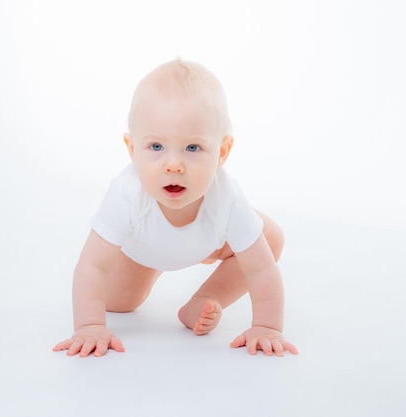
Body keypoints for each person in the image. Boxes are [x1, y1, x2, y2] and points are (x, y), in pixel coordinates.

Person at [53, 59, 298, 358]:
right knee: (117, 302)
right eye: (156, 147)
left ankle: (207, 298)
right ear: (132, 149)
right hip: (142, 250)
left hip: (211, 241)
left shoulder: (226, 197)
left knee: (270, 240)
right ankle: (156, 264)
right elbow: (93, 265)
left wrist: (268, 327)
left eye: (192, 148)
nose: (173, 165)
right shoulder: (127, 194)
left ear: (222, 153)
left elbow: (261, 269)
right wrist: (89, 326)